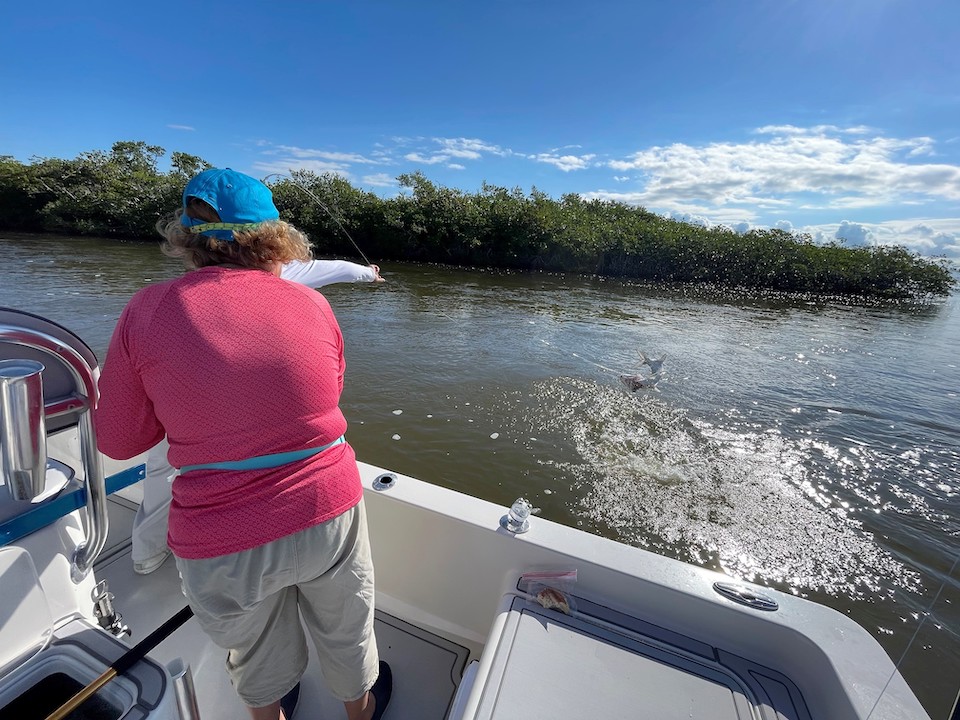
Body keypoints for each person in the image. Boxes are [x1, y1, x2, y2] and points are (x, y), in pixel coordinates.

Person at [95, 168, 392, 720]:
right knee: (348, 626)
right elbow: (321, 396)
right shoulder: (313, 305)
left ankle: (271, 707)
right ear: (275, 238)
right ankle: (361, 710)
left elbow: (118, 440)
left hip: (221, 535)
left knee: (254, 654)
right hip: (329, 510)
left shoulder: (147, 309)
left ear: (184, 237)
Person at [132, 257, 384, 576]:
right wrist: (369, 275)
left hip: (185, 416)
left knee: (162, 469)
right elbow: (338, 269)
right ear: (275, 252)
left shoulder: (166, 299)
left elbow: (119, 440)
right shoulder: (292, 281)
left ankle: (147, 552)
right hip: (262, 425)